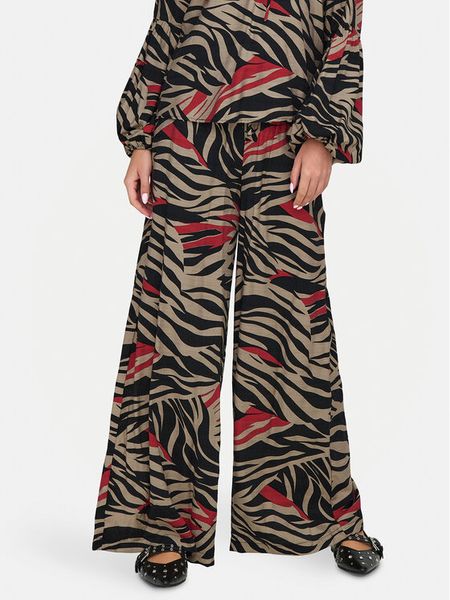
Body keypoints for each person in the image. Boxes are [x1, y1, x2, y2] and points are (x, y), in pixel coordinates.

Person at [92, 0, 384, 586]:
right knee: (178, 325)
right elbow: (168, 24)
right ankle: (165, 524)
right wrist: (142, 139)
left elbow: (344, 29)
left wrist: (324, 136)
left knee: (294, 329)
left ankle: (328, 513)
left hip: (288, 136)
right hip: (186, 135)